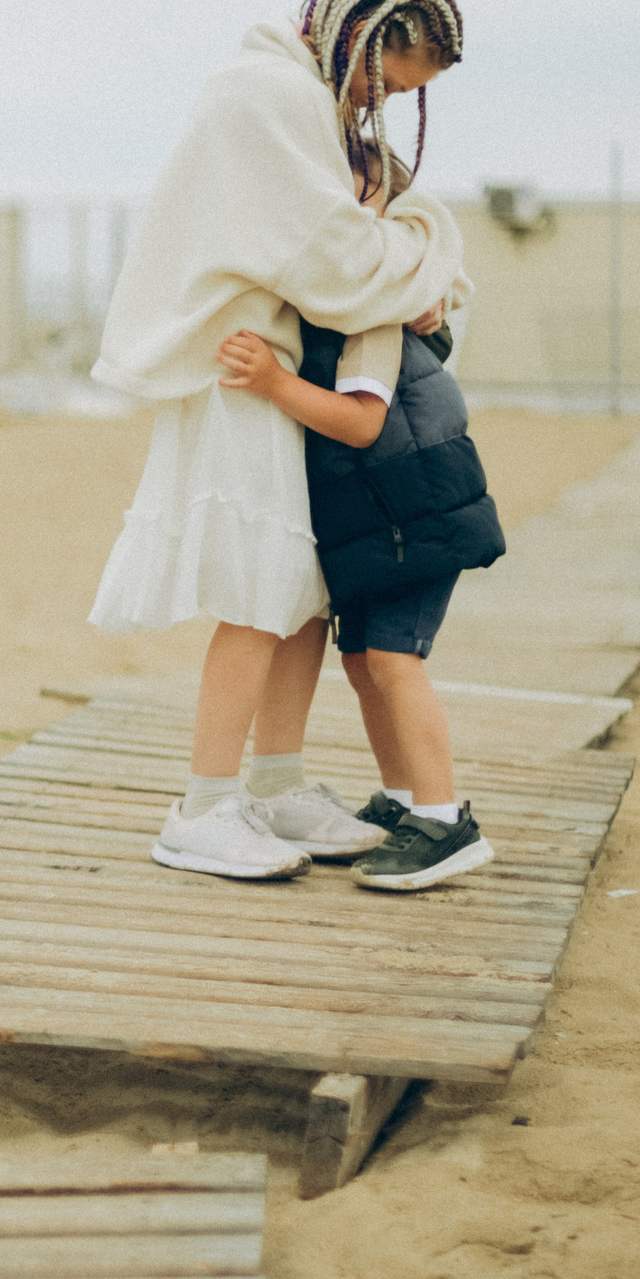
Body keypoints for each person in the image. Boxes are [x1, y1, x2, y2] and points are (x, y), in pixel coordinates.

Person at [88, 0, 468, 881]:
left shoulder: (306, 100)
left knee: (298, 590)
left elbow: (369, 229)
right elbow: (333, 260)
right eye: (393, 80)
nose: (384, 106)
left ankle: (274, 779)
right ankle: (204, 807)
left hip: (272, 369)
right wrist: (432, 253)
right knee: (257, 592)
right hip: (236, 374)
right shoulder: (264, 97)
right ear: (370, 40)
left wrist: (422, 260)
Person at [215, 298, 505, 890]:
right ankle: (403, 802)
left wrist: (274, 381)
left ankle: (443, 820)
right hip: (381, 525)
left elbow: (362, 421)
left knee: (395, 661)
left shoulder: (368, 307)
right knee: (362, 662)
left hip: (420, 516)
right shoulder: (340, 306)